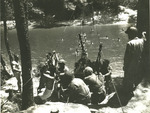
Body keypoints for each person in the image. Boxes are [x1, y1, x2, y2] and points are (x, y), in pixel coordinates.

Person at [123, 26, 144, 95]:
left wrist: (125, 66)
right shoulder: (142, 41)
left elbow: (127, 57)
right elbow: (144, 38)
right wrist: (143, 34)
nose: (128, 35)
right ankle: (135, 89)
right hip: (139, 63)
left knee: (129, 78)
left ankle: (128, 92)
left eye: (129, 34)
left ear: (131, 34)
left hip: (131, 64)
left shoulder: (130, 43)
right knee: (136, 78)